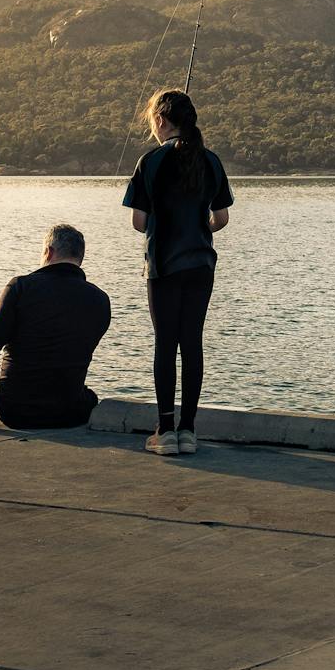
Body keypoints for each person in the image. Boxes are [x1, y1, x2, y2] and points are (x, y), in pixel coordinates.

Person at [122, 88, 234, 456]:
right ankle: (189, 431)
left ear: (160, 120)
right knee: (193, 344)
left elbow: (139, 223)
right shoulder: (212, 160)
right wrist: (199, 228)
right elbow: (221, 218)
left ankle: (165, 431)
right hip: (201, 265)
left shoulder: (150, 162)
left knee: (165, 345)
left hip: (163, 267)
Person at [0, 223, 111, 429]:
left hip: (15, 410)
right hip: (70, 411)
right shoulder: (100, 299)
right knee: (90, 396)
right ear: (80, 258)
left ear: (48, 251)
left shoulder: (20, 286)